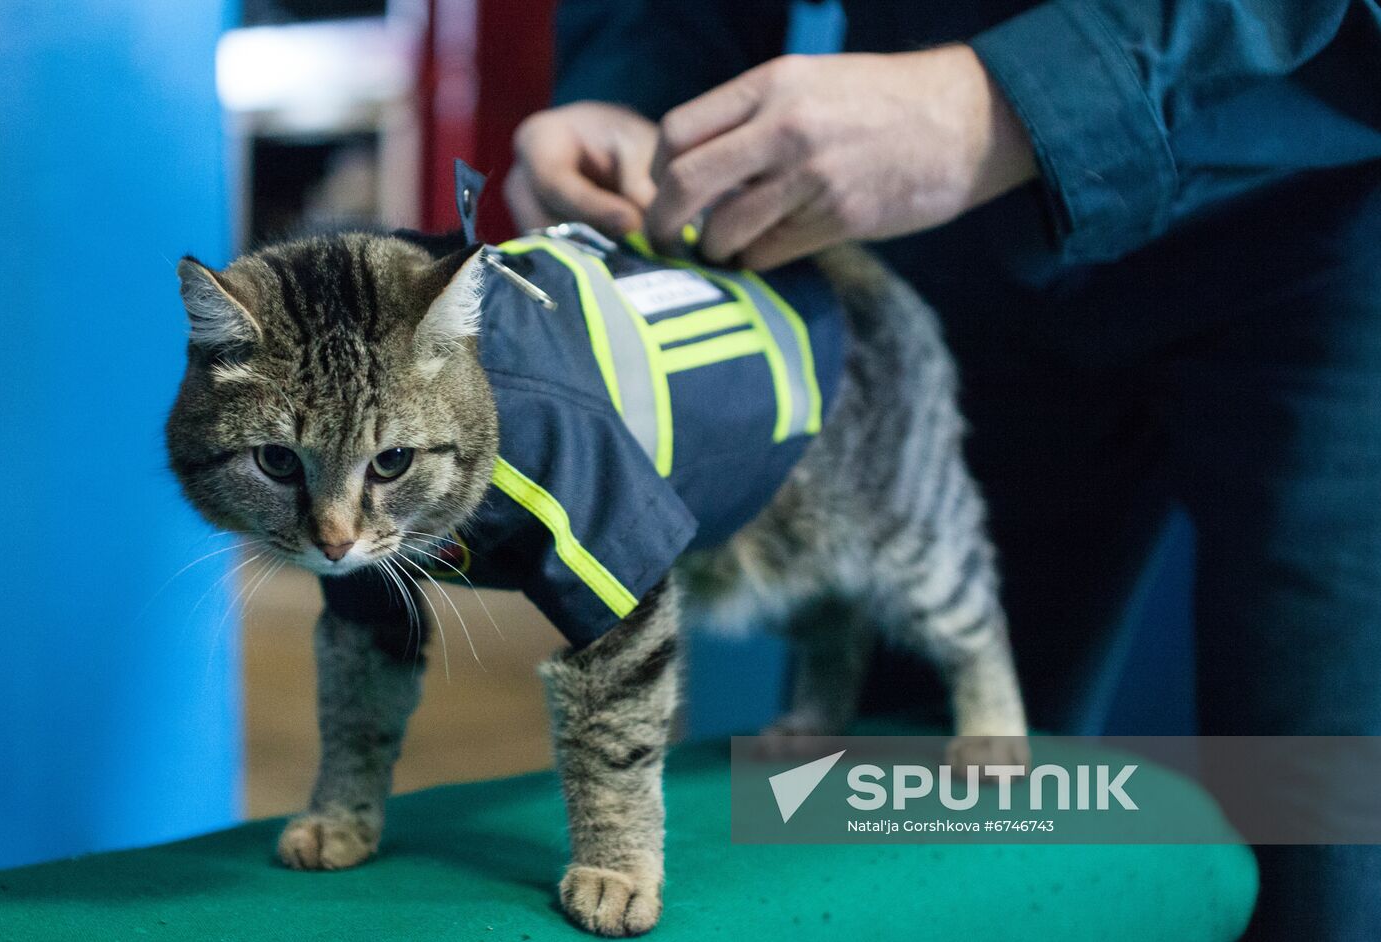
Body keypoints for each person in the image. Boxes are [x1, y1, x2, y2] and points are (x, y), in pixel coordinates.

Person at [504, 2, 1381, 938]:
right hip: (946, 252)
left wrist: (1010, 97)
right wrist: (633, 94)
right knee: (912, 825)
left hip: (1313, 229)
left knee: (1319, 840)